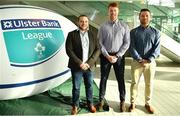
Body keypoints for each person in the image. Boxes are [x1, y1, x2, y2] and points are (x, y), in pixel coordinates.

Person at [98, 2, 130, 112]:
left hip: (119, 57)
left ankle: (122, 101)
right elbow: (100, 43)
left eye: (115, 10)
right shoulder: (102, 26)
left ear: (118, 12)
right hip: (105, 57)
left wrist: (117, 55)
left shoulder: (124, 26)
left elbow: (126, 43)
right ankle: (101, 100)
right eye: (111, 10)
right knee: (103, 78)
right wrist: (107, 56)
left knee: (120, 79)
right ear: (108, 12)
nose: (113, 12)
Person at [65, 15, 100, 115]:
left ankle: (90, 104)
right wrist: (80, 63)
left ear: (88, 23)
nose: (83, 23)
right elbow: (69, 50)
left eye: (85, 21)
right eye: (81, 21)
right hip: (77, 66)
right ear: (78, 22)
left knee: (89, 86)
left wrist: (88, 64)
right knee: (76, 87)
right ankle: (75, 106)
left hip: (89, 66)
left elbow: (98, 49)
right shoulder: (71, 35)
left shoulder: (93, 35)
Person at [129, 8, 160, 114]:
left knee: (149, 84)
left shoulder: (156, 32)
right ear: (139, 17)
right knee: (134, 83)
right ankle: (133, 102)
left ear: (150, 17)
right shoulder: (133, 32)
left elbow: (157, 49)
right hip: (136, 62)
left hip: (150, 63)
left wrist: (149, 59)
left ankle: (147, 103)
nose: (145, 17)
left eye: (147, 15)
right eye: (142, 15)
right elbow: (131, 47)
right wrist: (139, 59)